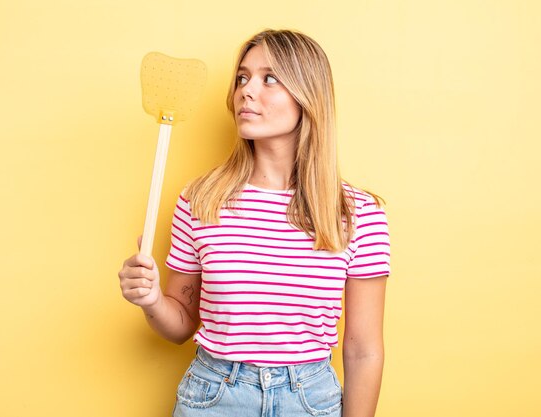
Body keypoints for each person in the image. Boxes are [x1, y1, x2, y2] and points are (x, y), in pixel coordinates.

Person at [118, 29, 391, 417]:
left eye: (270, 78)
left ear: (307, 94)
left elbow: (363, 350)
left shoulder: (356, 213)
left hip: (310, 401)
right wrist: (151, 301)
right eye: (242, 78)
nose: (247, 91)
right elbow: (180, 325)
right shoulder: (201, 201)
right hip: (213, 397)